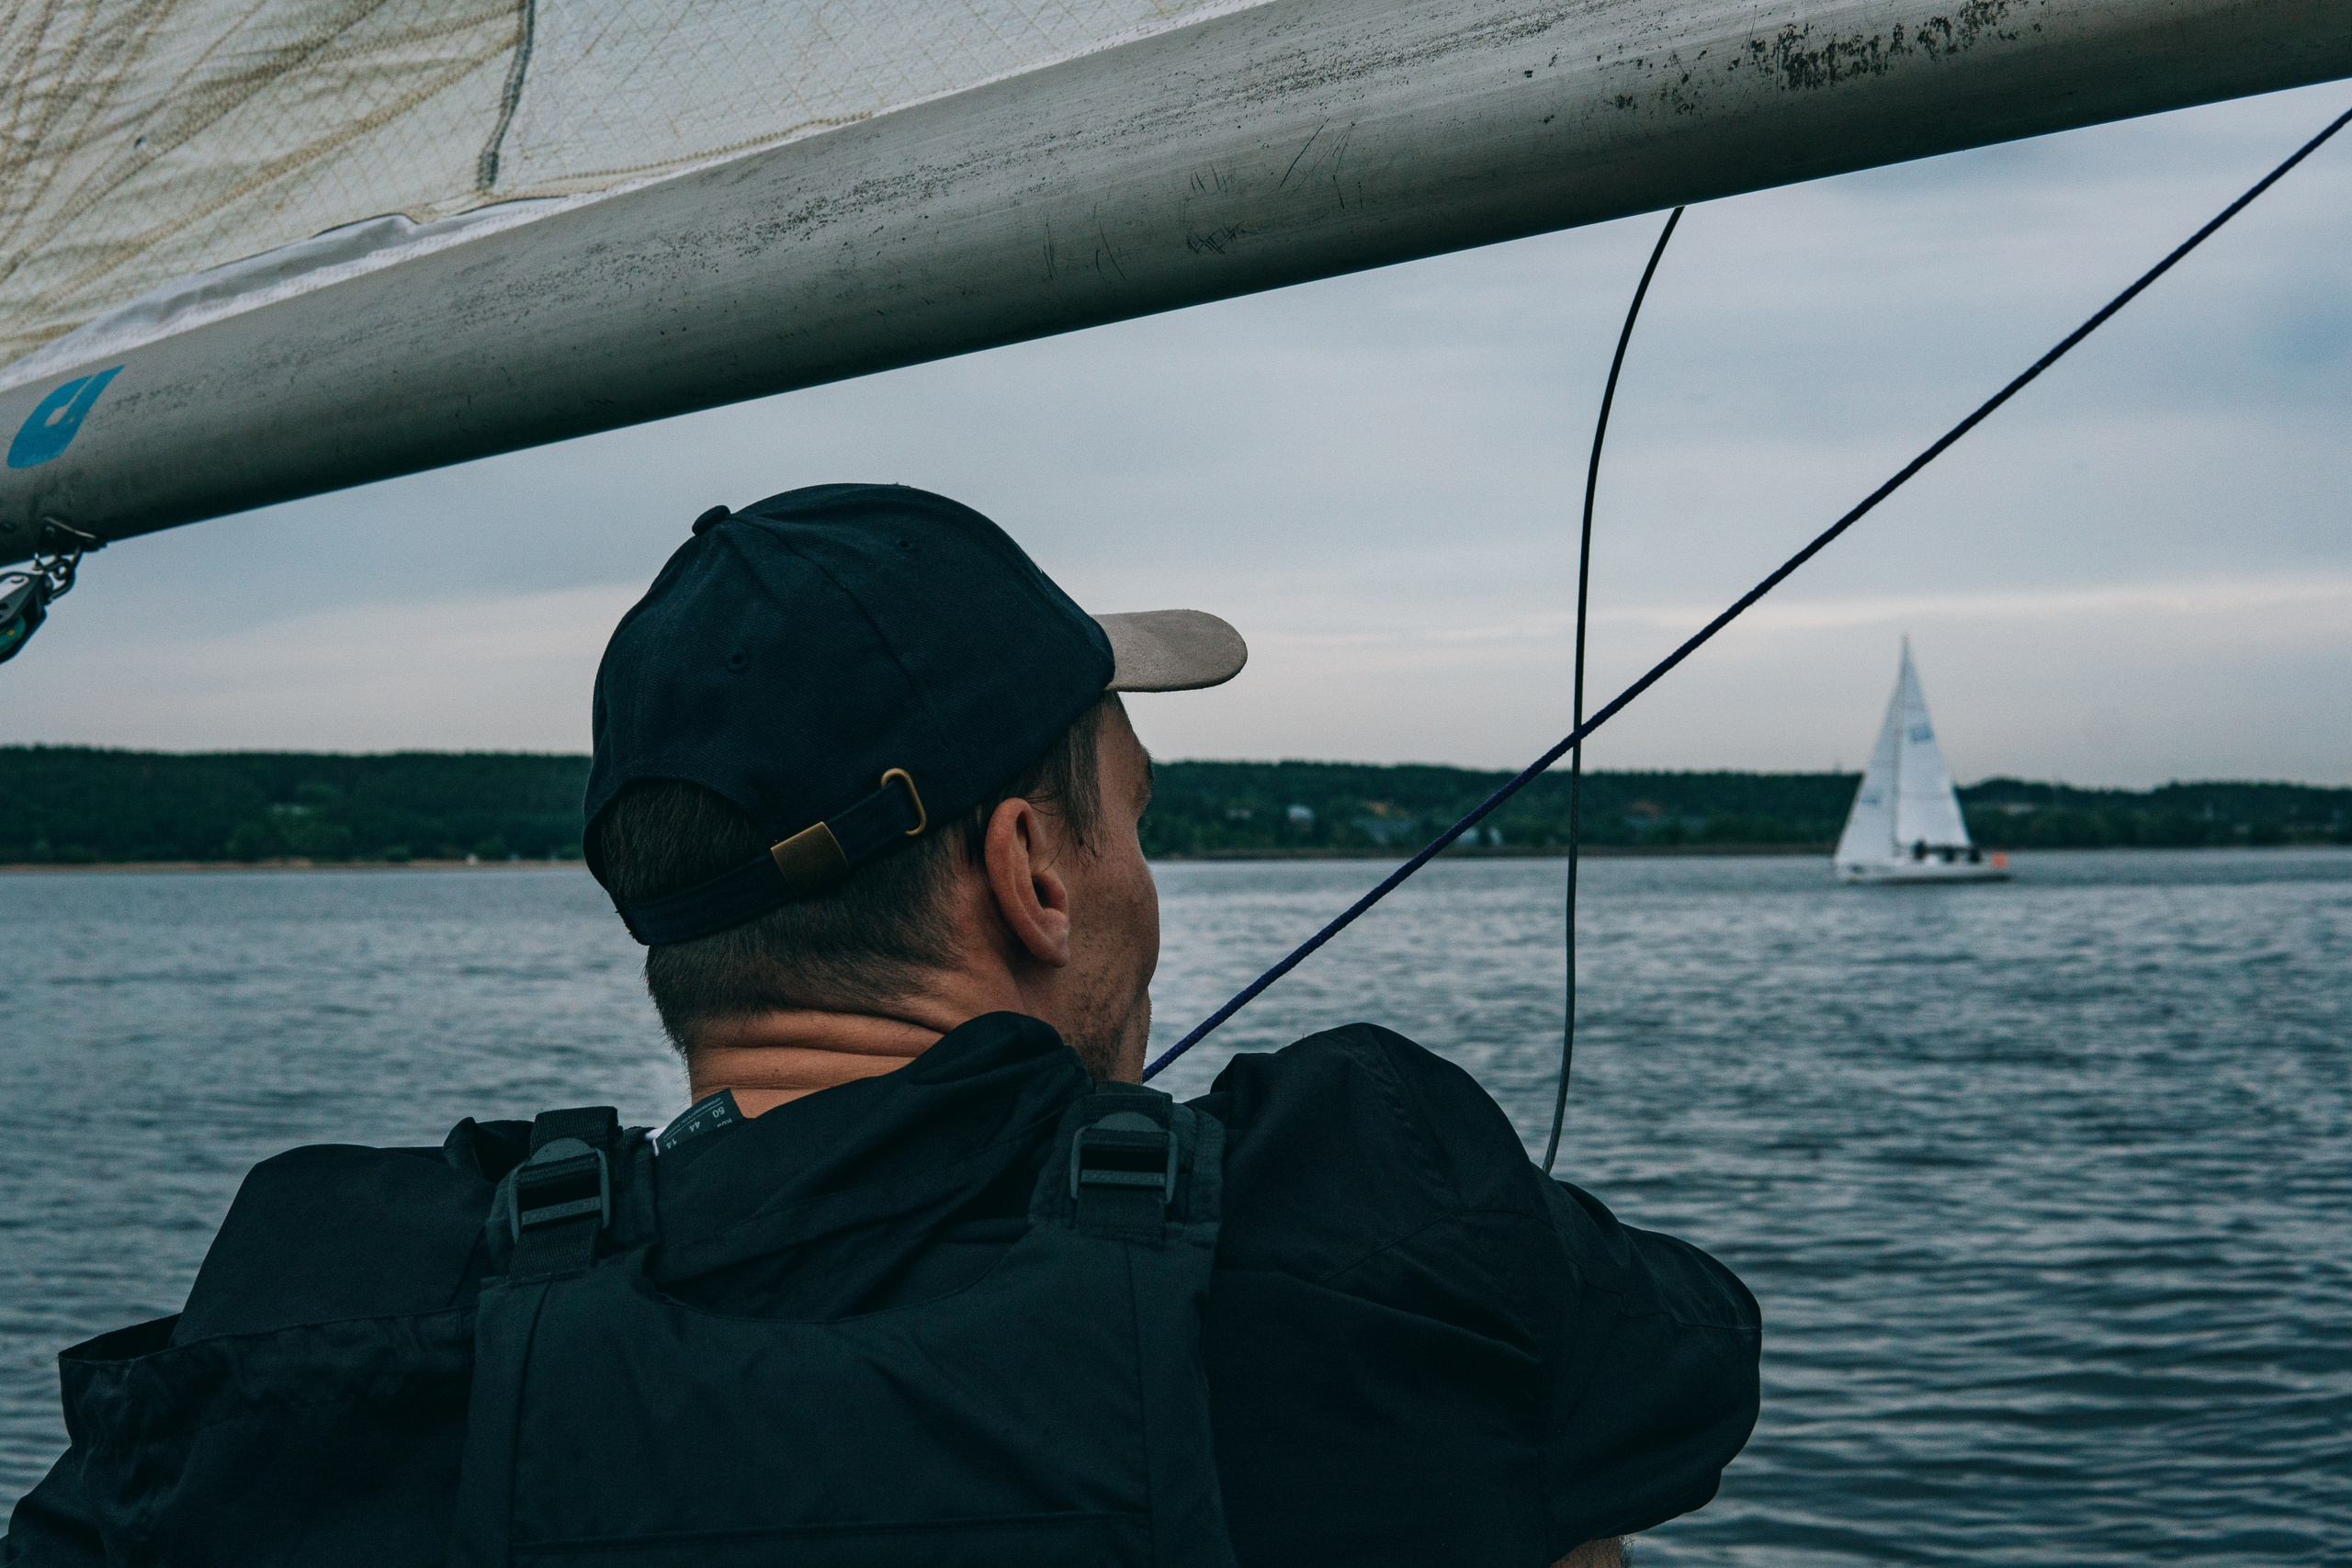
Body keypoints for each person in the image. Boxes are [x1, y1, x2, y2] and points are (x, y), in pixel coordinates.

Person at [4, 484, 1758, 1568]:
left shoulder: (296, 1358)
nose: (1147, 884)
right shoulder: (1367, 1235)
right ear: (1032, 874)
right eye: (1129, 821)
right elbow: (1687, 1372)